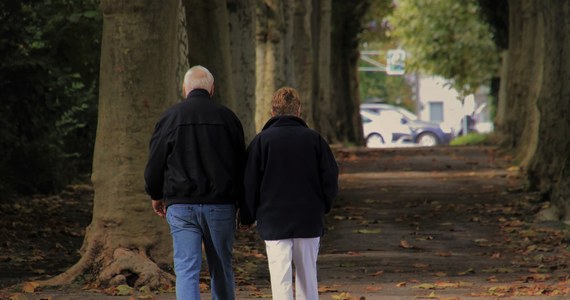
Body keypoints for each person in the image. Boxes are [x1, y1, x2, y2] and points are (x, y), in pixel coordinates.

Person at [144, 65, 245, 300]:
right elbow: (242, 165)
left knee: (186, 270)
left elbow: (155, 163)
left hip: (181, 205)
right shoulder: (228, 118)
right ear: (212, 89)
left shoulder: (170, 118)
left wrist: (156, 193)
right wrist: (244, 205)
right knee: (221, 268)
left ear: (184, 89)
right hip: (221, 205)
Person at [240, 87, 339, 300]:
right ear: (299, 111)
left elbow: (249, 183)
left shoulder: (261, 142)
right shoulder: (315, 141)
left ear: (272, 112)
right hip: (308, 218)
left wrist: (247, 216)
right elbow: (330, 178)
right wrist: (324, 206)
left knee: (280, 278)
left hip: (273, 219)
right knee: (307, 277)